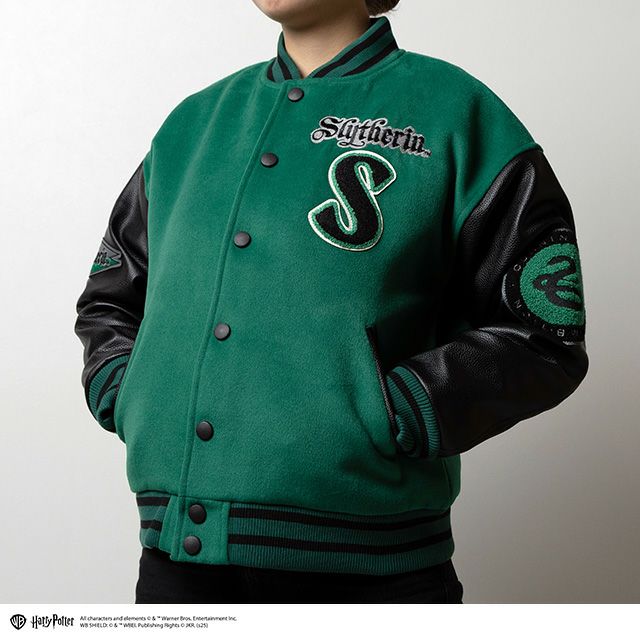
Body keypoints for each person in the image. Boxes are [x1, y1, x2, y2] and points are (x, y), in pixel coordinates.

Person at [73, 0, 589, 604]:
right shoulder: (192, 125)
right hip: (177, 567)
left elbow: (545, 332)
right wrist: (133, 397)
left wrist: (396, 410)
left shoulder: (458, 112)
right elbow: (110, 296)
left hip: (375, 578)